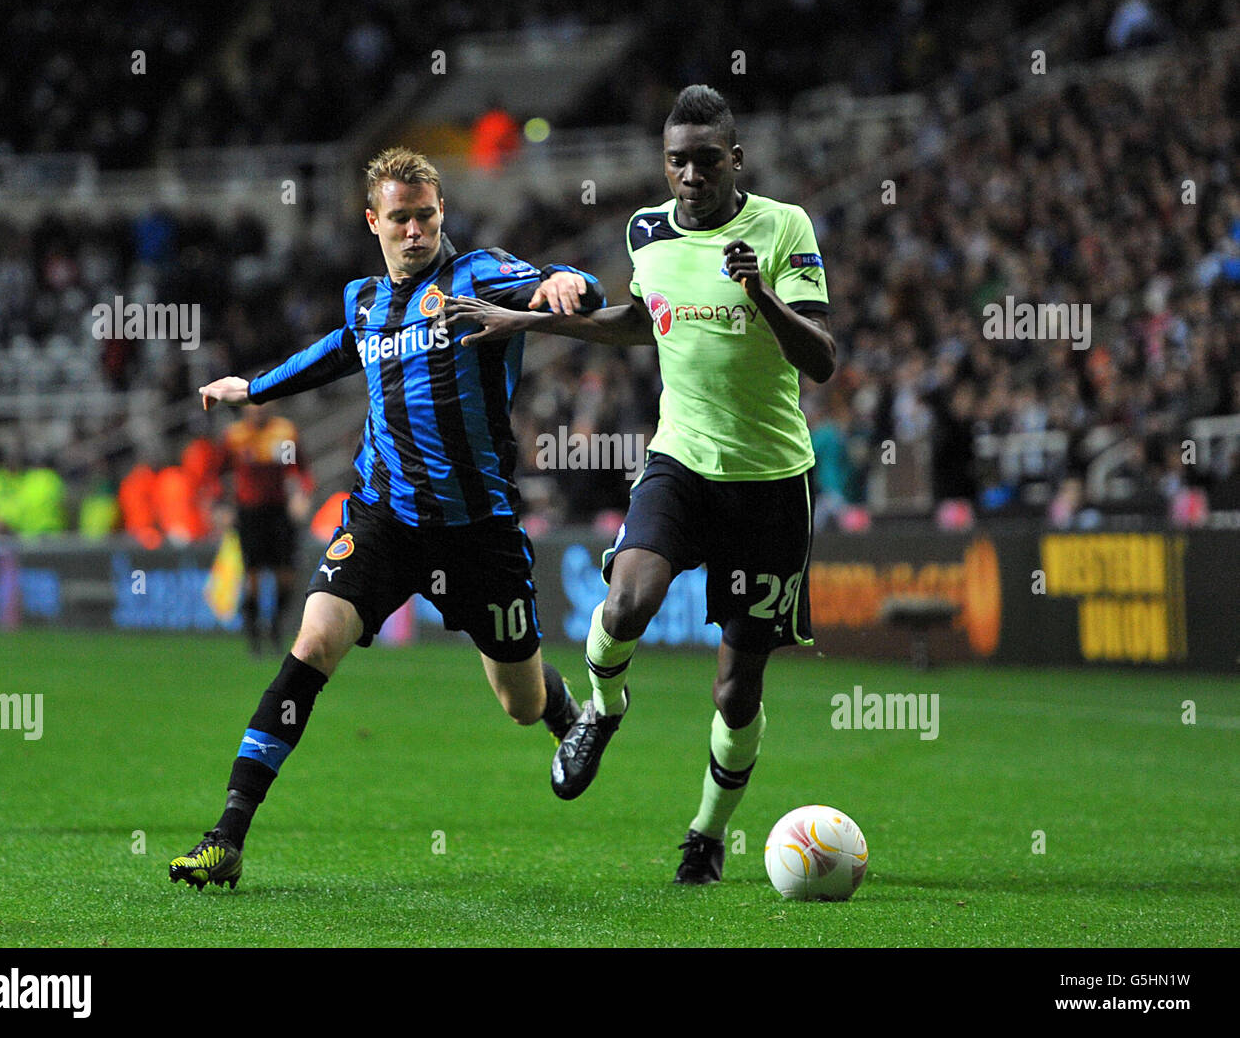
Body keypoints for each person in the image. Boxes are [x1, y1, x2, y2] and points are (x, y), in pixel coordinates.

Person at [169, 146, 605, 890]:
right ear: (373, 220)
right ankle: (228, 836)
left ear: (442, 215)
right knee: (312, 643)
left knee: (519, 700)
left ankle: (569, 709)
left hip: (479, 531)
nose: (414, 230)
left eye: (426, 215)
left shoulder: (481, 275)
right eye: (398, 218)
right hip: (383, 520)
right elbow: (342, 350)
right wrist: (257, 387)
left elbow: (572, 289)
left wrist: (570, 281)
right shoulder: (363, 300)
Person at [444, 85, 836, 885]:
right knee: (625, 602)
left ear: (736, 159)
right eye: (675, 161)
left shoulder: (784, 227)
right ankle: (602, 709)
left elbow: (823, 358)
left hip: (770, 483)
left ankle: (706, 831)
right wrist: (530, 322)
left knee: (736, 688)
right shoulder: (646, 230)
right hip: (680, 461)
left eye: (704, 160)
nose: (689, 175)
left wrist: (759, 292)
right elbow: (639, 318)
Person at [219, 403, 313, 653]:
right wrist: (222, 507)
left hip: (279, 513)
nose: (257, 411)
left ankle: (275, 625)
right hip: (249, 513)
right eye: (252, 407)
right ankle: (253, 634)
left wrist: (300, 496)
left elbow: (296, 468)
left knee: (286, 578)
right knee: (253, 579)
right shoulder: (235, 436)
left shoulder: (283, 432)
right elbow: (220, 474)